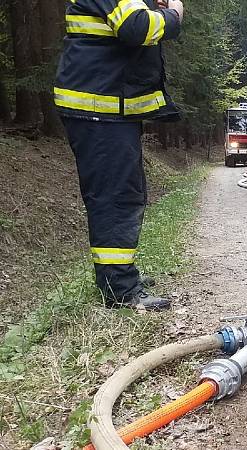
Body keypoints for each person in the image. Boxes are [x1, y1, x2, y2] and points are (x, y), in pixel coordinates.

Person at [54, 0, 185, 311]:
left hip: (107, 107)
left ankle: (119, 277)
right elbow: (136, 27)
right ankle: (119, 290)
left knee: (124, 193)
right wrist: (175, 13)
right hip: (98, 107)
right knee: (115, 198)